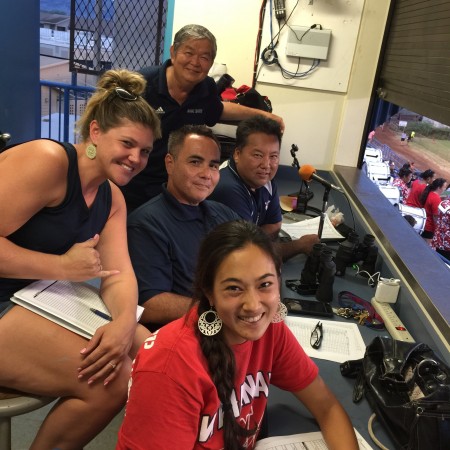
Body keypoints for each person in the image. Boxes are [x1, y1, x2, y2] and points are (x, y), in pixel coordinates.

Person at [0, 69, 161, 449]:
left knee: (150, 350)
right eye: (127, 143)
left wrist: (123, 323)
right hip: (12, 299)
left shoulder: (112, 198)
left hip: (31, 297)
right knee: (112, 379)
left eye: (146, 151)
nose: (136, 158)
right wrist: (61, 267)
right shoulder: (48, 161)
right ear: (95, 133)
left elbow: (119, 275)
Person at [116, 220, 359, 449]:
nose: (253, 306)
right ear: (208, 292)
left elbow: (326, 407)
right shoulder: (168, 368)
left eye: (265, 285)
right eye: (234, 288)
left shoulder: (271, 330)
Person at [120, 24, 285, 212]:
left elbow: (218, 110)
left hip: (179, 185)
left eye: (204, 57)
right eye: (188, 53)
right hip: (136, 182)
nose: (195, 62)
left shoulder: (206, 87)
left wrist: (267, 116)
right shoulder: (143, 84)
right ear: (173, 53)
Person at [127, 125, 239, 327]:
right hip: (187, 337)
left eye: (213, 165)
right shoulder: (146, 224)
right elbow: (150, 305)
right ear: (170, 164)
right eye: (195, 162)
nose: (207, 174)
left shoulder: (224, 213)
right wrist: (223, 308)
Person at [210, 115, 319, 260]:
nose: (266, 165)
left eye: (273, 156)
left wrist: (256, 240)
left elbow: (275, 225)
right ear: (237, 154)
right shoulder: (228, 188)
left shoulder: (263, 178)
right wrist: (299, 245)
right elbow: (248, 254)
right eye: (257, 155)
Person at [419, 178, 448, 244]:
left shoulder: (431, 193)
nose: (445, 189)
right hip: (429, 228)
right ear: (438, 187)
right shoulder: (436, 199)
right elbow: (436, 217)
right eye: (444, 187)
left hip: (425, 224)